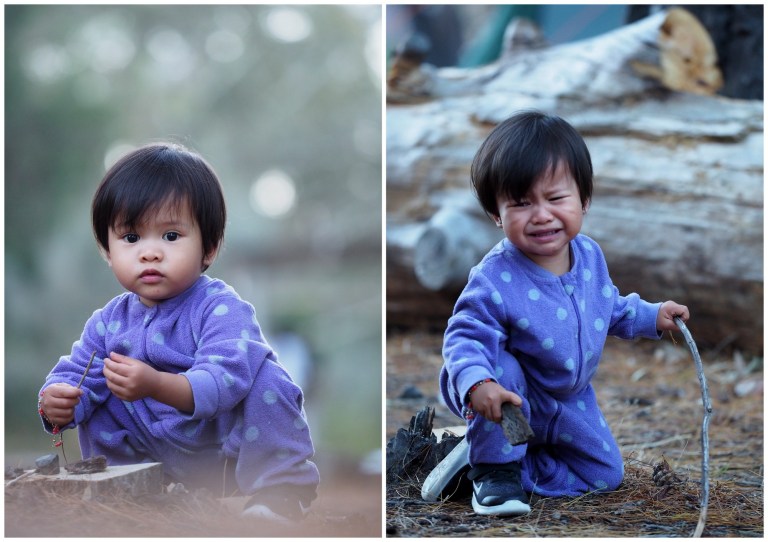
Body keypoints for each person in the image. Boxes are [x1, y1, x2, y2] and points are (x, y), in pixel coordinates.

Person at [424, 111, 689, 516]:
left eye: (556, 198)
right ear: (497, 215)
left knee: (605, 476)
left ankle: (493, 461)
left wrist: (652, 316)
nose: (541, 214)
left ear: (583, 200)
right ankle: (494, 470)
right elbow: (465, 335)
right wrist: (478, 384)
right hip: (508, 396)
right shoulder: (495, 276)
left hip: (569, 400)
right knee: (503, 365)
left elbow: (609, 307)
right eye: (521, 203)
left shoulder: (590, 257)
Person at [38, 143, 319, 523]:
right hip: (151, 452)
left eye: (171, 236)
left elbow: (225, 379)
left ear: (209, 247)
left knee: (265, 376)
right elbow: (77, 372)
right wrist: (58, 400)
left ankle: (281, 490)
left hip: (219, 448)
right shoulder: (108, 321)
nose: (150, 253)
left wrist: (155, 384)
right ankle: (129, 492)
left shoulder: (220, 307)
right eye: (131, 238)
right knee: (99, 392)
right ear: (107, 249)